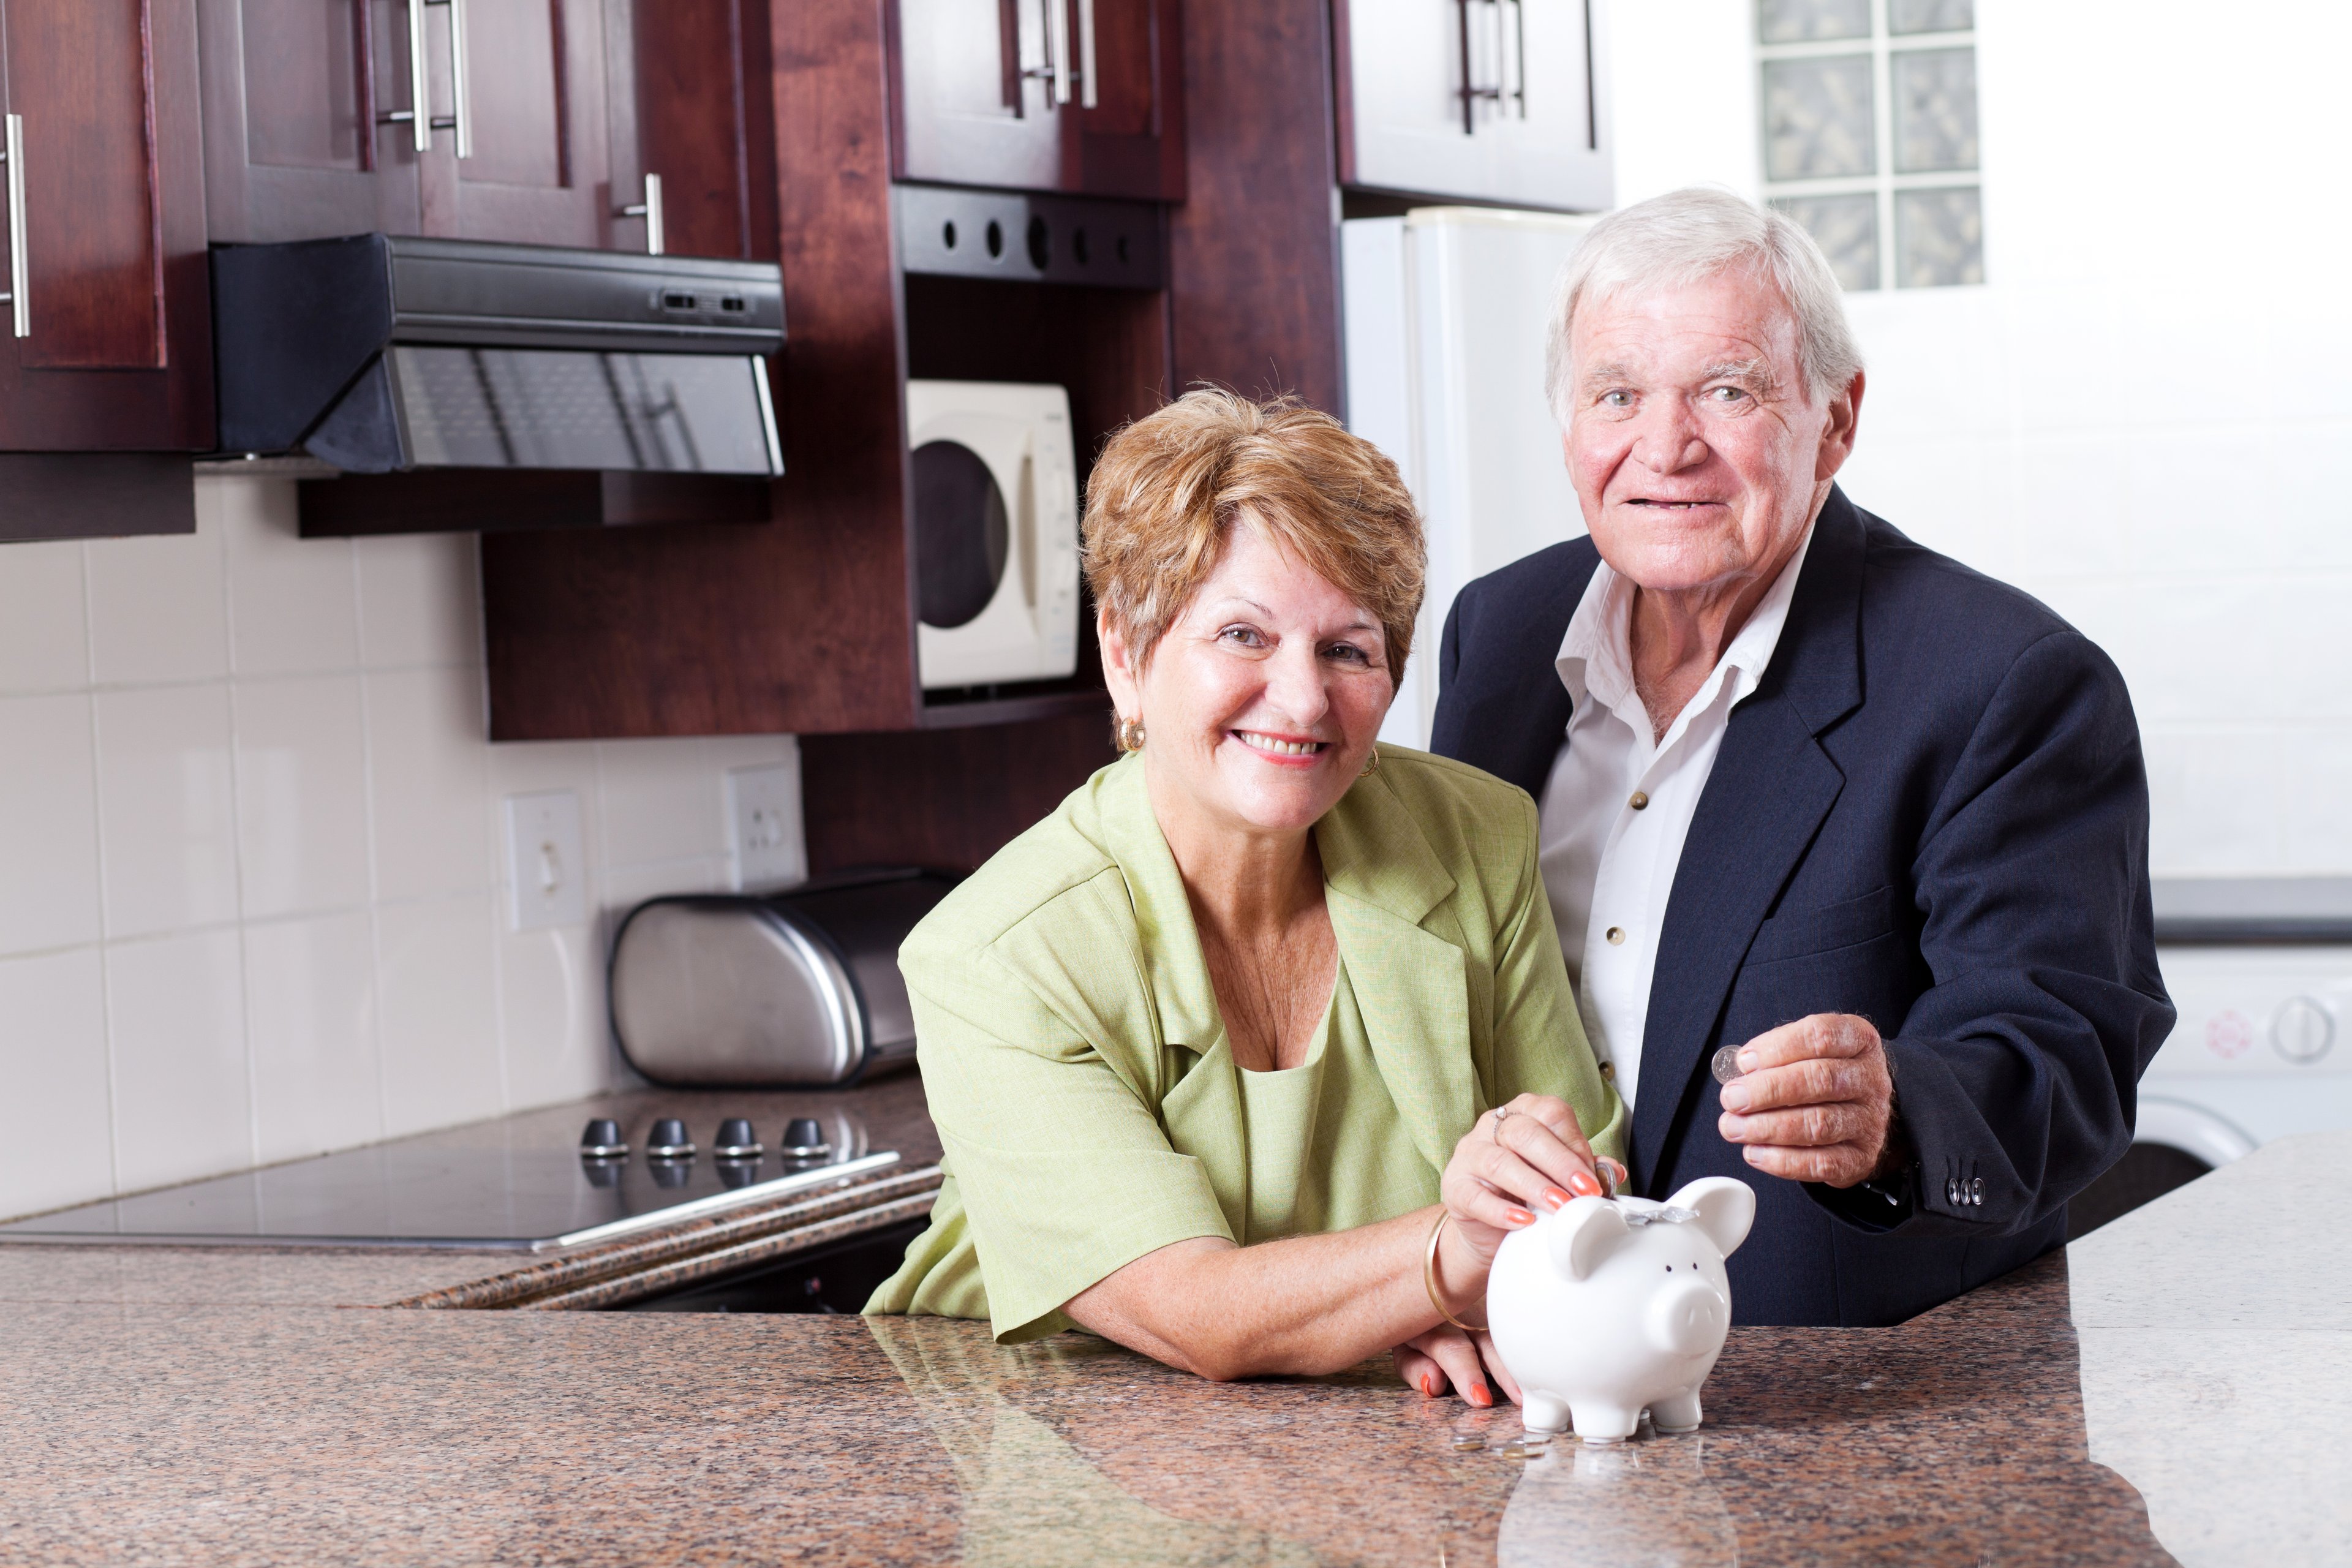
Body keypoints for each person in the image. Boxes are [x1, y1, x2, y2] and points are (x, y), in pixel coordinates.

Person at [1431, 187, 2176, 1326]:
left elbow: (2063, 1059)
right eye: (1616, 392)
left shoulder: (2006, 681)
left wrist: (1897, 1115)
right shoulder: (1498, 636)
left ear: (1835, 419)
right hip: (1535, 1372)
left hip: (1863, 1412)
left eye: (1726, 391)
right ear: (1569, 418)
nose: (1664, 445)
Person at [869, 390, 1625, 1404]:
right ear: (1127, 659)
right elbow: (1194, 1309)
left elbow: (1585, 1188)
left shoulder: (1473, 836)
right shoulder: (997, 954)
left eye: (1348, 648)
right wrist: (1436, 1272)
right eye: (1242, 634)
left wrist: (1430, 1294)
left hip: (1387, 1454)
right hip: (1072, 1442)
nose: (1305, 697)